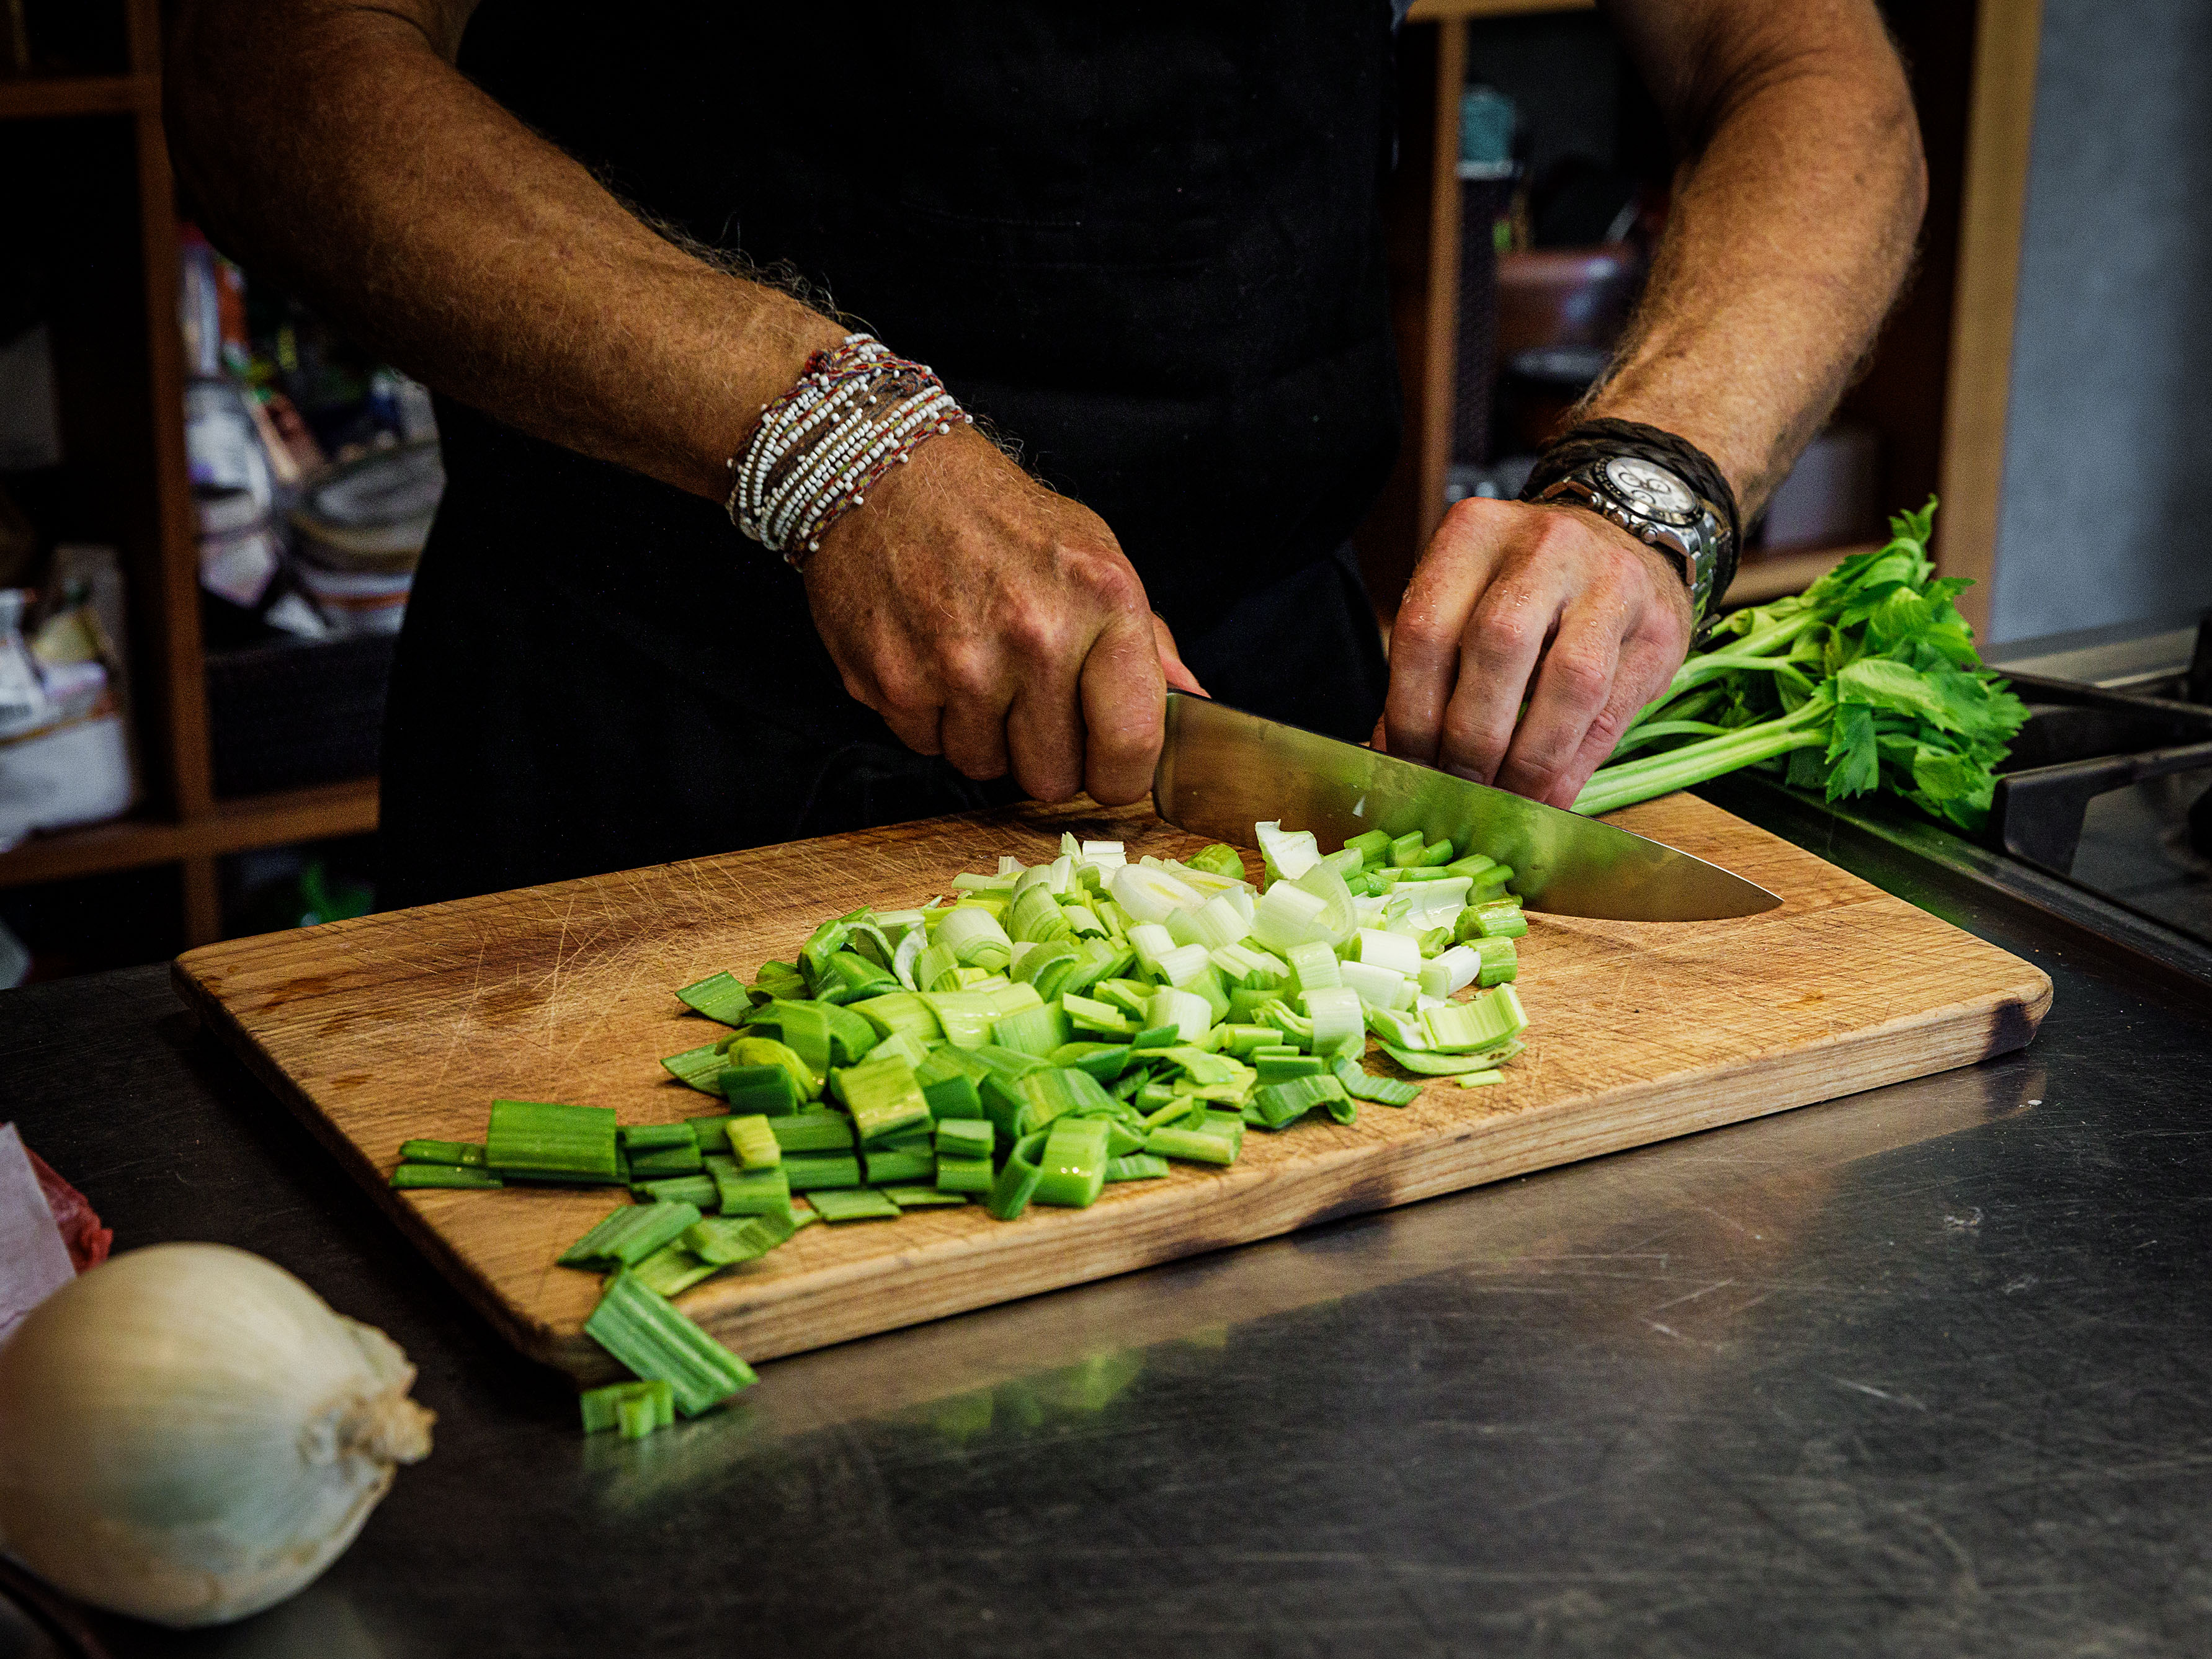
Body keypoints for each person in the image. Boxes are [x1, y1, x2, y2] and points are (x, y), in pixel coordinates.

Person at [166, 1, 1925, 908]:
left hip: (1256, 738)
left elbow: (1804, 62)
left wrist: (1650, 477)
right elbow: (276, 67)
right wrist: (816, 431)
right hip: (643, 754)